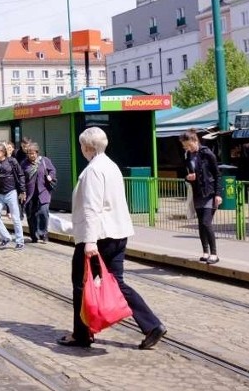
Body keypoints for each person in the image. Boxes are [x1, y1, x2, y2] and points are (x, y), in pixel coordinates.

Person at [58, 126, 166, 349]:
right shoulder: (111, 166)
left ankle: (82, 334)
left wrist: (89, 241)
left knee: (81, 283)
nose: (81, 149)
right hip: (118, 232)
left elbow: (92, 207)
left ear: (87, 147)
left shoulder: (93, 170)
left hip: (99, 236)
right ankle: (152, 324)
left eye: (81, 146)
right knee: (116, 282)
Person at [181, 129, 222, 264]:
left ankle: (214, 253)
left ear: (194, 141)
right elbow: (186, 174)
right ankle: (205, 251)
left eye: (188, 145)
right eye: (185, 146)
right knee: (201, 223)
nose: (186, 148)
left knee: (206, 222)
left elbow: (217, 174)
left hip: (209, 192)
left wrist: (218, 194)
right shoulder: (188, 156)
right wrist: (188, 178)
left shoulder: (207, 153)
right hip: (197, 192)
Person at [0, 143, 26, 249]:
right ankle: (6, 237)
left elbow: (20, 175)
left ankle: (20, 241)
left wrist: (22, 191)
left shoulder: (12, 161)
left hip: (11, 192)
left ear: (3, 152)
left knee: (16, 218)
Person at [20, 142, 57, 244]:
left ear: (37, 153)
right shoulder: (24, 164)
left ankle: (43, 233)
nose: (31, 155)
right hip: (30, 193)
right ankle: (34, 235)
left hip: (43, 191)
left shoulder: (45, 161)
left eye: (33, 153)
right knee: (31, 214)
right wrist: (22, 191)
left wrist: (50, 176)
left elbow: (52, 170)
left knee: (43, 212)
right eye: (29, 153)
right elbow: (21, 178)